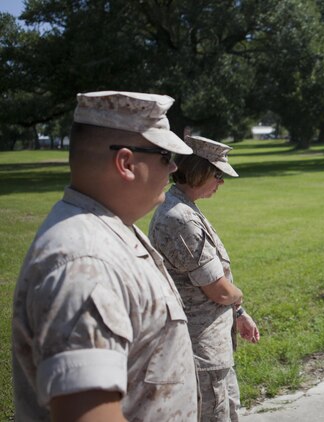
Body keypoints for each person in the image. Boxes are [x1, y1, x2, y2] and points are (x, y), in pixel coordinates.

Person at [11, 91, 199, 421]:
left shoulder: (106, 228)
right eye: (164, 156)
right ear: (125, 163)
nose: (172, 168)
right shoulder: (86, 263)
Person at [149, 135, 260, 422]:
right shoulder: (180, 218)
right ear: (199, 171)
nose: (220, 182)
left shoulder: (184, 208)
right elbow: (220, 291)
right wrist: (238, 297)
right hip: (200, 353)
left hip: (209, 347)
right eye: (217, 174)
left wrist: (239, 313)